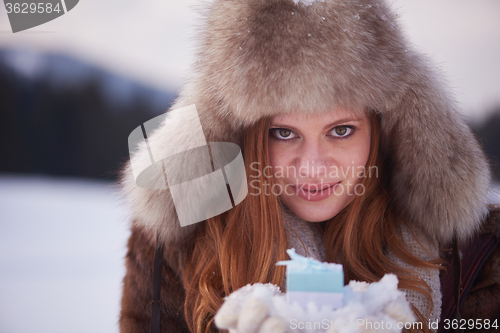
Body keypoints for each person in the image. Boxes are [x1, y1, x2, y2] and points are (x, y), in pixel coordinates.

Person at [118, 0, 500, 332]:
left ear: (385, 131)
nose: (312, 166)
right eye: (284, 133)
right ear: (246, 136)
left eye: (342, 130)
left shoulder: (476, 253)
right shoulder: (180, 250)